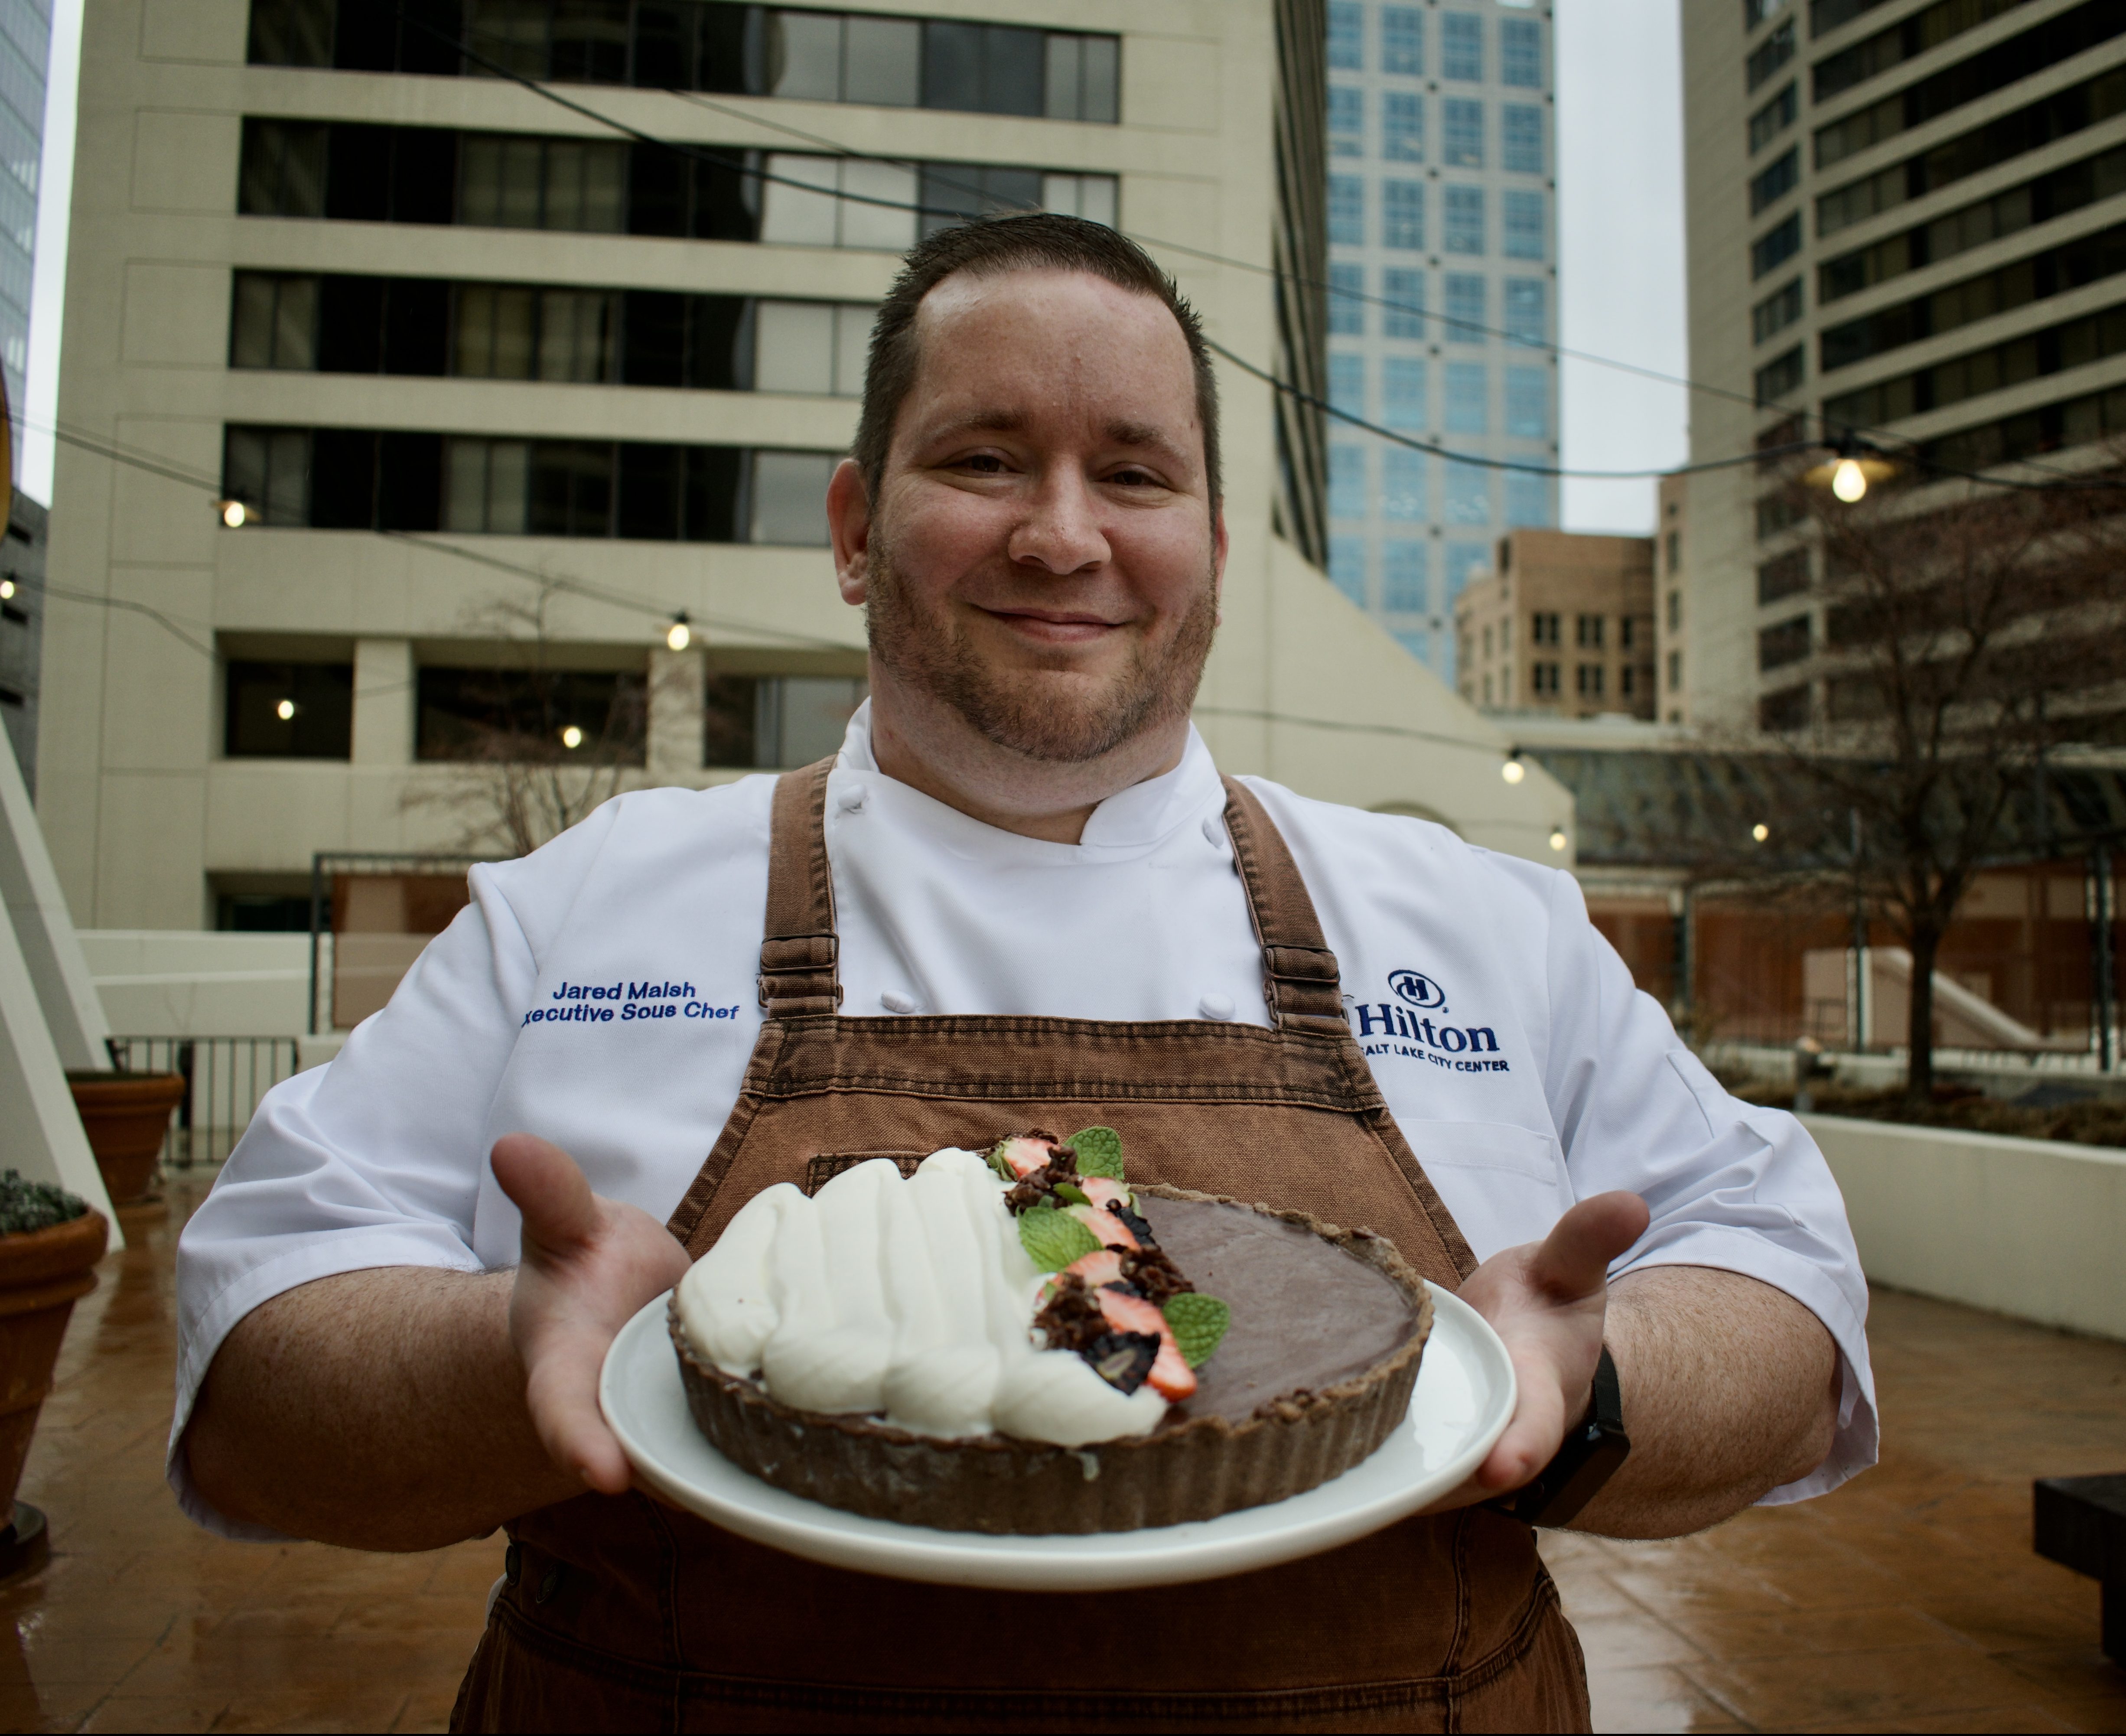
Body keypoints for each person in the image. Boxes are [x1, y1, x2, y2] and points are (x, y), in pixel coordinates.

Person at [174, 215, 1873, 1733]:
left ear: (1212, 535)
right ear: (855, 527)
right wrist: (505, 1357)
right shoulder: (592, 909)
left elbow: (1784, 1286)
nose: (1064, 538)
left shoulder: (1474, 923)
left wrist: (1584, 1394)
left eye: (1135, 475)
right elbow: (257, 1355)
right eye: (984, 460)